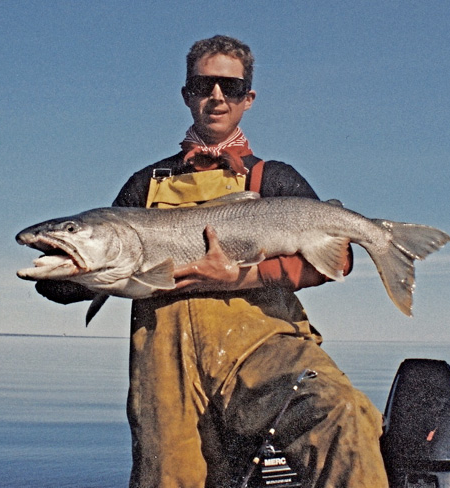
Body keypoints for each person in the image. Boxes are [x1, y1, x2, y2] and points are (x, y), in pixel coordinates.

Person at [39, 35, 388, 488]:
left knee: (342, 413)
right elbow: (71, 283)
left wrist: (242, 276)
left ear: (249, 98)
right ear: (187, 94)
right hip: (166, 371)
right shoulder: (144, 185)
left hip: (264, 350)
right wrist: (71, 273)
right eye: (204, 85)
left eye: (231, 86)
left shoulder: (275, 178)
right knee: (168, 478)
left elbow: (336, 262)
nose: (217, 96)